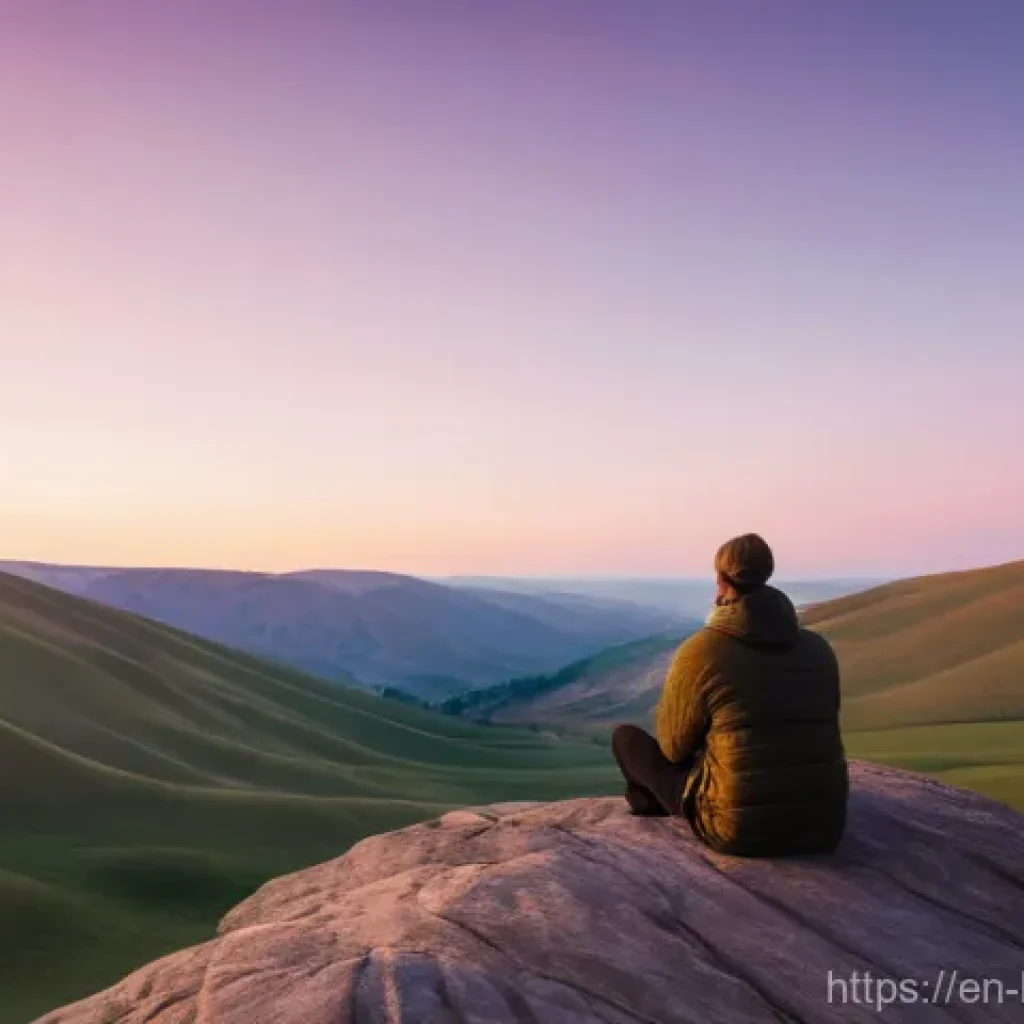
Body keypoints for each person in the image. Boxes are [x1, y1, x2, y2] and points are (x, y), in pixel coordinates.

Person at [612, 533, 848, 857]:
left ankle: (651, 807)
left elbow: (672, 749)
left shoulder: (703, 650)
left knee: (626, 739)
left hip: (737, 828)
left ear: (721, 581)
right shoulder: (818, 648)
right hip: (823, 826)